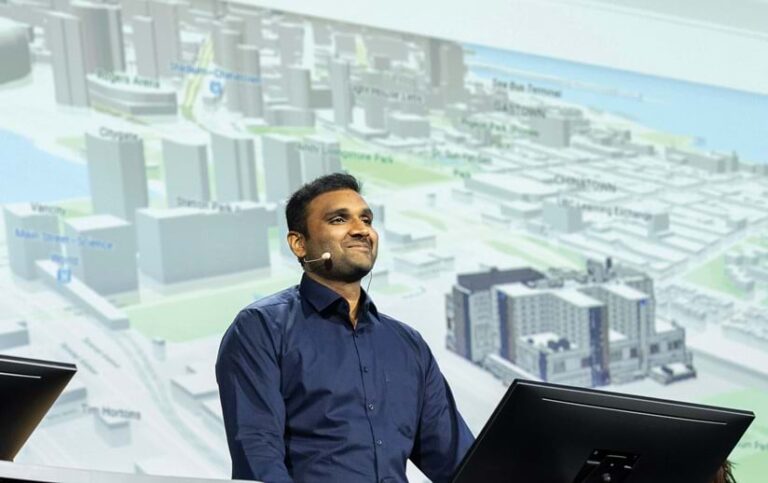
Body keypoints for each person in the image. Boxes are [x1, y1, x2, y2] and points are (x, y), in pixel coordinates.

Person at [216, 173, 474, 483]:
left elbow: (459, 463)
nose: (361, 230)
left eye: (366, 219)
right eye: (339, 219)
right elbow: (257, 457)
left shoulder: (407, 344)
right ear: (299, 244)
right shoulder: (261, 328)